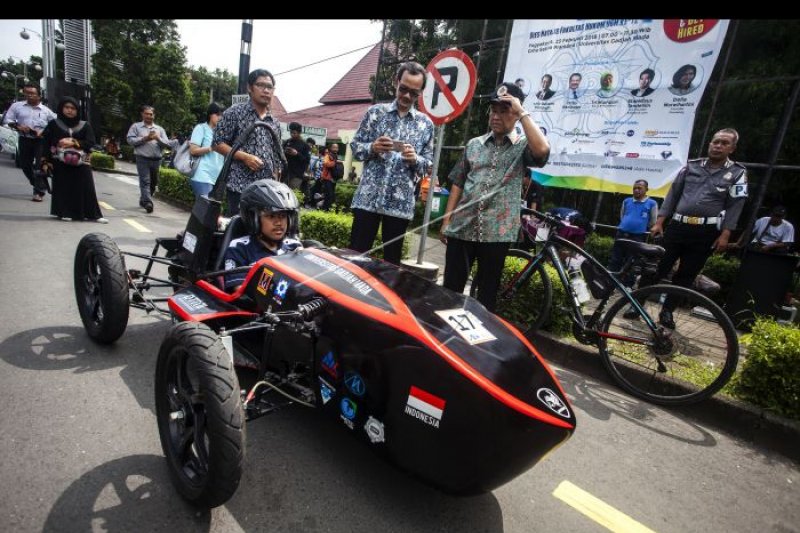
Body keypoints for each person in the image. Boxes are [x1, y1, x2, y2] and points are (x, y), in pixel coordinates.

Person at [439, 82, 550, 312]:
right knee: (450, 292)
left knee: (485, 298)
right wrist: (446, 221)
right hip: (462, 228)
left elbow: (542, 151)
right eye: (494, 110)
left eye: (504, 110)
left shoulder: (522, 148)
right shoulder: (474, 145)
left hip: (496, 234)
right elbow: (458, 182)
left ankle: (474, 344)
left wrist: (521, 112)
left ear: (516, 113)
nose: (496, 116)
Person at [650, 128, 748, 328]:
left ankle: (667, 312)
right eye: (715, 142)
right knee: (657, 266)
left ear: (732, 148)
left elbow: (735, 205)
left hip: (705, 233)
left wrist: (726, 234)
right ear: (709, 144)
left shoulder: (738, 173)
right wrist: (660, 221)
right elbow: (673, 194)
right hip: (678, 226)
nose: (718, 146)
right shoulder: (690, 167)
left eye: (724, 143)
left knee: (686, 275)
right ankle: (636, 304)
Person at [348, 61, 435, 265]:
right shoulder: (375, 113)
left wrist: (415, 159)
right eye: (403, 89)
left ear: (420, 93)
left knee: (391, 264)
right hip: (367, 199)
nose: (406, 96)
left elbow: (429, 163)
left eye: (413, 93)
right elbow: (355, 147)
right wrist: (373, 147)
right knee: (355, 258)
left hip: (400, 204)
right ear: (396, 82)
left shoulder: (426, 124)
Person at [213, 69, 284, 216]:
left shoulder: (275, 123)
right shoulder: (235, 113)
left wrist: (276, 182)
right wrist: (245, 157)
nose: (266, 91)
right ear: (250, 88)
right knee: (239, 228)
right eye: (261, 85)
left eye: (269, 87)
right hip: (240, 186)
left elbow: (276, 157)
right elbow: (217, 143)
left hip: (267, 190)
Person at [223, 179, 302, 292]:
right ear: (253, 219)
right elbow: (239, 290)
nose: (279, 223)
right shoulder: (239, 248)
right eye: (271, 216)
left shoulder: (294, 246)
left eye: (283, 216)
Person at [40, 97, 107, 223]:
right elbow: (46, 142)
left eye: (73, 108)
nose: (70, 111)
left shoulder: (84, 125)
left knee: (86, 187)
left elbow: (91, 142)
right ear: (61, 109)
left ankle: (93, 214)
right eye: (67, 108)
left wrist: (74, 142)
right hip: (60, 161)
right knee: (64, 186)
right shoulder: (54, 124)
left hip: (81, 161)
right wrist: (45, 161)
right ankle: (65, 212)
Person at [1, 83, 56, 202]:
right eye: (27, 93)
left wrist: (44, 132)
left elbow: (55, 125)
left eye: (32, 93)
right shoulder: (17, 106)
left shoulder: (47, 111)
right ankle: (38, 184)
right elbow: (7, 120)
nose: (29, 96)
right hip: (24, 139)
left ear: (39, 95)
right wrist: (18, 126)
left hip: (40, 141)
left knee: (39, 167)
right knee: (25, 165)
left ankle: (38, 192)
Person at [607, 180, 659, 286]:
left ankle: (627, 285)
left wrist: (639, 226)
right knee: (615, 258)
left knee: (632, 260)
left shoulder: (652, 203)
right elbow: (622, 215)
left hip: (637, 236)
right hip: (621, 233)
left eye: (640, 188)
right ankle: (610, 282)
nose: (636, 190)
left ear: (646, 190)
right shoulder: (626, 201)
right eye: (635, 188)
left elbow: (653, 221)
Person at [126, 105, 177, 213]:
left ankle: (143, 199)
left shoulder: (160, 129)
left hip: (156, 159)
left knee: (154, 183)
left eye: (151, 114)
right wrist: (145, 138)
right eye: (147, 114)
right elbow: (130, 140)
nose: (149, 116)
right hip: (142, 158)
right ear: (142, 114)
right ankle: (148, 203)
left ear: (154, 115)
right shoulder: (136, 127)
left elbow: (167, 144)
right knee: (145, 181)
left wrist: (158, 138)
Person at [188, 102, 225, 198]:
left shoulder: (223, 133)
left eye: (222, 115)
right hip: (202, 175)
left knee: (209, 210)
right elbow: (193, 150)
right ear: (210, 114)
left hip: (217, 178)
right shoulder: (201, 128)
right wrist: (211, 148)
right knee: (206, 206)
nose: (220, 118)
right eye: (217, 114)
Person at [282, 122, 311, 191]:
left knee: (293, 193)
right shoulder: (287, 142)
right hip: (286, 173)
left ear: (299, 133)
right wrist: (284, 152)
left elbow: (307, 160)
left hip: (297, 174)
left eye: (294, 133)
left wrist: (297, 154)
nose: (292, 135)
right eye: (291, 132)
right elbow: (280, 154)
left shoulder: (305, 145)